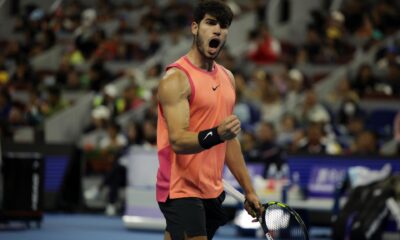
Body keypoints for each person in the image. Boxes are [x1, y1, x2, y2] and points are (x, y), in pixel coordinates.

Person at [156, 1, 262, 239]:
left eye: (223, 26)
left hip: (212, 189)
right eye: (210, 23)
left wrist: (249, 190)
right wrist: (217, 134)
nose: (217, 30)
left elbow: (229, 142)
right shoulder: (176, 79)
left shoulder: (228, 78)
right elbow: (178, 141)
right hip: (179, 187)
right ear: (195, 28)